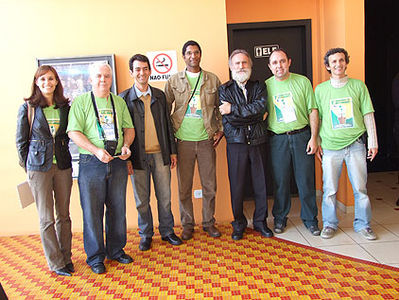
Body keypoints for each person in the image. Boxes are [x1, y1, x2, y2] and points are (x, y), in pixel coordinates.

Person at [67, 62, 135, 274]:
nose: (103, 80)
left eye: (107, 76)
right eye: (98, 76)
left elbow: (129, 128)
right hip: (91, 163)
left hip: (117, 162)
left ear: (111, 78)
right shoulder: (81, 102)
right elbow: (74, 132)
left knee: (117, 209)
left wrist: (126, 145)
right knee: (92, 211)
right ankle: (95, 257)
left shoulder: (118, 102)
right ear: (91, 79)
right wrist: (96, 150)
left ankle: (116, 250)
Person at [119, 54, 182, 251]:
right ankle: (146, 234)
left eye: (145, 68)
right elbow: (122, 132)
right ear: (131, 72)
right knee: (142, 201)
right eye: (137, 69)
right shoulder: (123, 99)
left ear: (150, 71)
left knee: (164, 197)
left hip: (160, 154)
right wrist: (126, 159)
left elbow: (168, 125)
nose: (142, 72)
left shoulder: (159, 95)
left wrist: (172, 151)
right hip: (137, 157)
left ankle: (167, 231)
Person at [16, 65, 73, 276]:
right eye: (42, 80)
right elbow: (21, 142)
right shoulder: (28, 108)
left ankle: (66, 258)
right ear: (36, 83)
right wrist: (29, 168)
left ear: (57, 81)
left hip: (63, 166)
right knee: (46, 218)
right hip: (38, 168)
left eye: (50, 79)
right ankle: (56, 262)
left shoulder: (65, 107)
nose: (47, 83)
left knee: (64, 215)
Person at [315, 48, 378, 240]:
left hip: (356, 145)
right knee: (330, 190)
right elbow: (317, 118)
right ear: (327, 66)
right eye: (333, 62)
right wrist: (317, 142)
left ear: (346, 62)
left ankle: (363, 224)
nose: (338, 64)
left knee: (360, 188)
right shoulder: (320, 90)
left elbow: (368, 114)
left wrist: (373, 142)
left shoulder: (359, 86)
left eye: (341, 60)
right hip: (330, 147)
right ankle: (329, 224)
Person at [165, 40, 224, 240]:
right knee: (184, 187)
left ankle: (209, 223)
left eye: (196, 52)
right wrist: (169, 137)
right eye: (189, 53)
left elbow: (221, 108)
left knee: (210, 185)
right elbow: (165, 110)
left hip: (207, 140)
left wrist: (220, 130)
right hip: (183, 141)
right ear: (183, 56)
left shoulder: (212, 80)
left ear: (200, 55)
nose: (193, 56)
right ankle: (187, 225)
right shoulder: (174, 81)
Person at [219, 49, 273, 240]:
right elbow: (231, 121)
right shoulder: (224, 89)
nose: (241, 66)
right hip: (236, 143)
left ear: (250, 65)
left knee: (261, 185)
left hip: (258, 141)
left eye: (244, 63)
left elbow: (260, 109)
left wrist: (233, 109)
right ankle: (239, 224)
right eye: (237, 63)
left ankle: (260, 222)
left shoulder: (259, 86)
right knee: (237, 185)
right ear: (230, 67)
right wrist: (253, 117)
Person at [265, 49, 320, 236]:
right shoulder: (266, 86)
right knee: (280, 181)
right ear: (269, 67)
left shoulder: (302, 82)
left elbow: (313, 110)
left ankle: (311, 220)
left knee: (305, 180)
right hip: (277, 139)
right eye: (274, 63)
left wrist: (314, 137)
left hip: (301, 137)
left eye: (282, 61)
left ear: (289, 62)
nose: (279, 66)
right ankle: (280, 218)